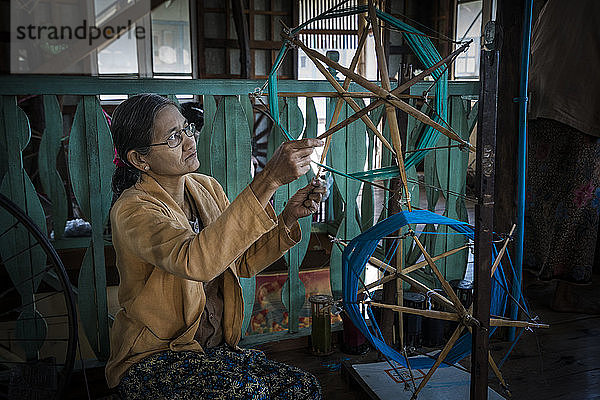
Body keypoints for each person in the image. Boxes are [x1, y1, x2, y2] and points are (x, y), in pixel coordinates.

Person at [105, 93, 325, 399]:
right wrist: (270, 178)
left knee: (302, 387)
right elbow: (196, 261)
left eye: (187, 129)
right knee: (247, 390)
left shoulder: (206, 187)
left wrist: (288, 216)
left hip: (212, 352)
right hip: (155, 358)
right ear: (140, 159)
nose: (189, 142)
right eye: (172, 138)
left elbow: (243, 259)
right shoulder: (134, 211)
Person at [525, 0, 600, 313]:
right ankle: (563, 293)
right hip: (583, 104)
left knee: (538, 196)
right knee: (580, 204)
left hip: (542, 99)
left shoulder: (552, 4)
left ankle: (526, 282)